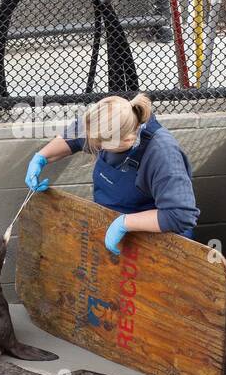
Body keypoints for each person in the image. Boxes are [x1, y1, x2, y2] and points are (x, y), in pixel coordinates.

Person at [25, 93, 198, 256]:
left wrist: (125, 224)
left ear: (128, 140)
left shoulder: (162, 153)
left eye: (100, 144)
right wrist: (41, 157)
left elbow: (180, 215)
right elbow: (75, 135)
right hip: (114, 232)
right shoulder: (111, 121)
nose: (93, 145)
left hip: (160, 245)